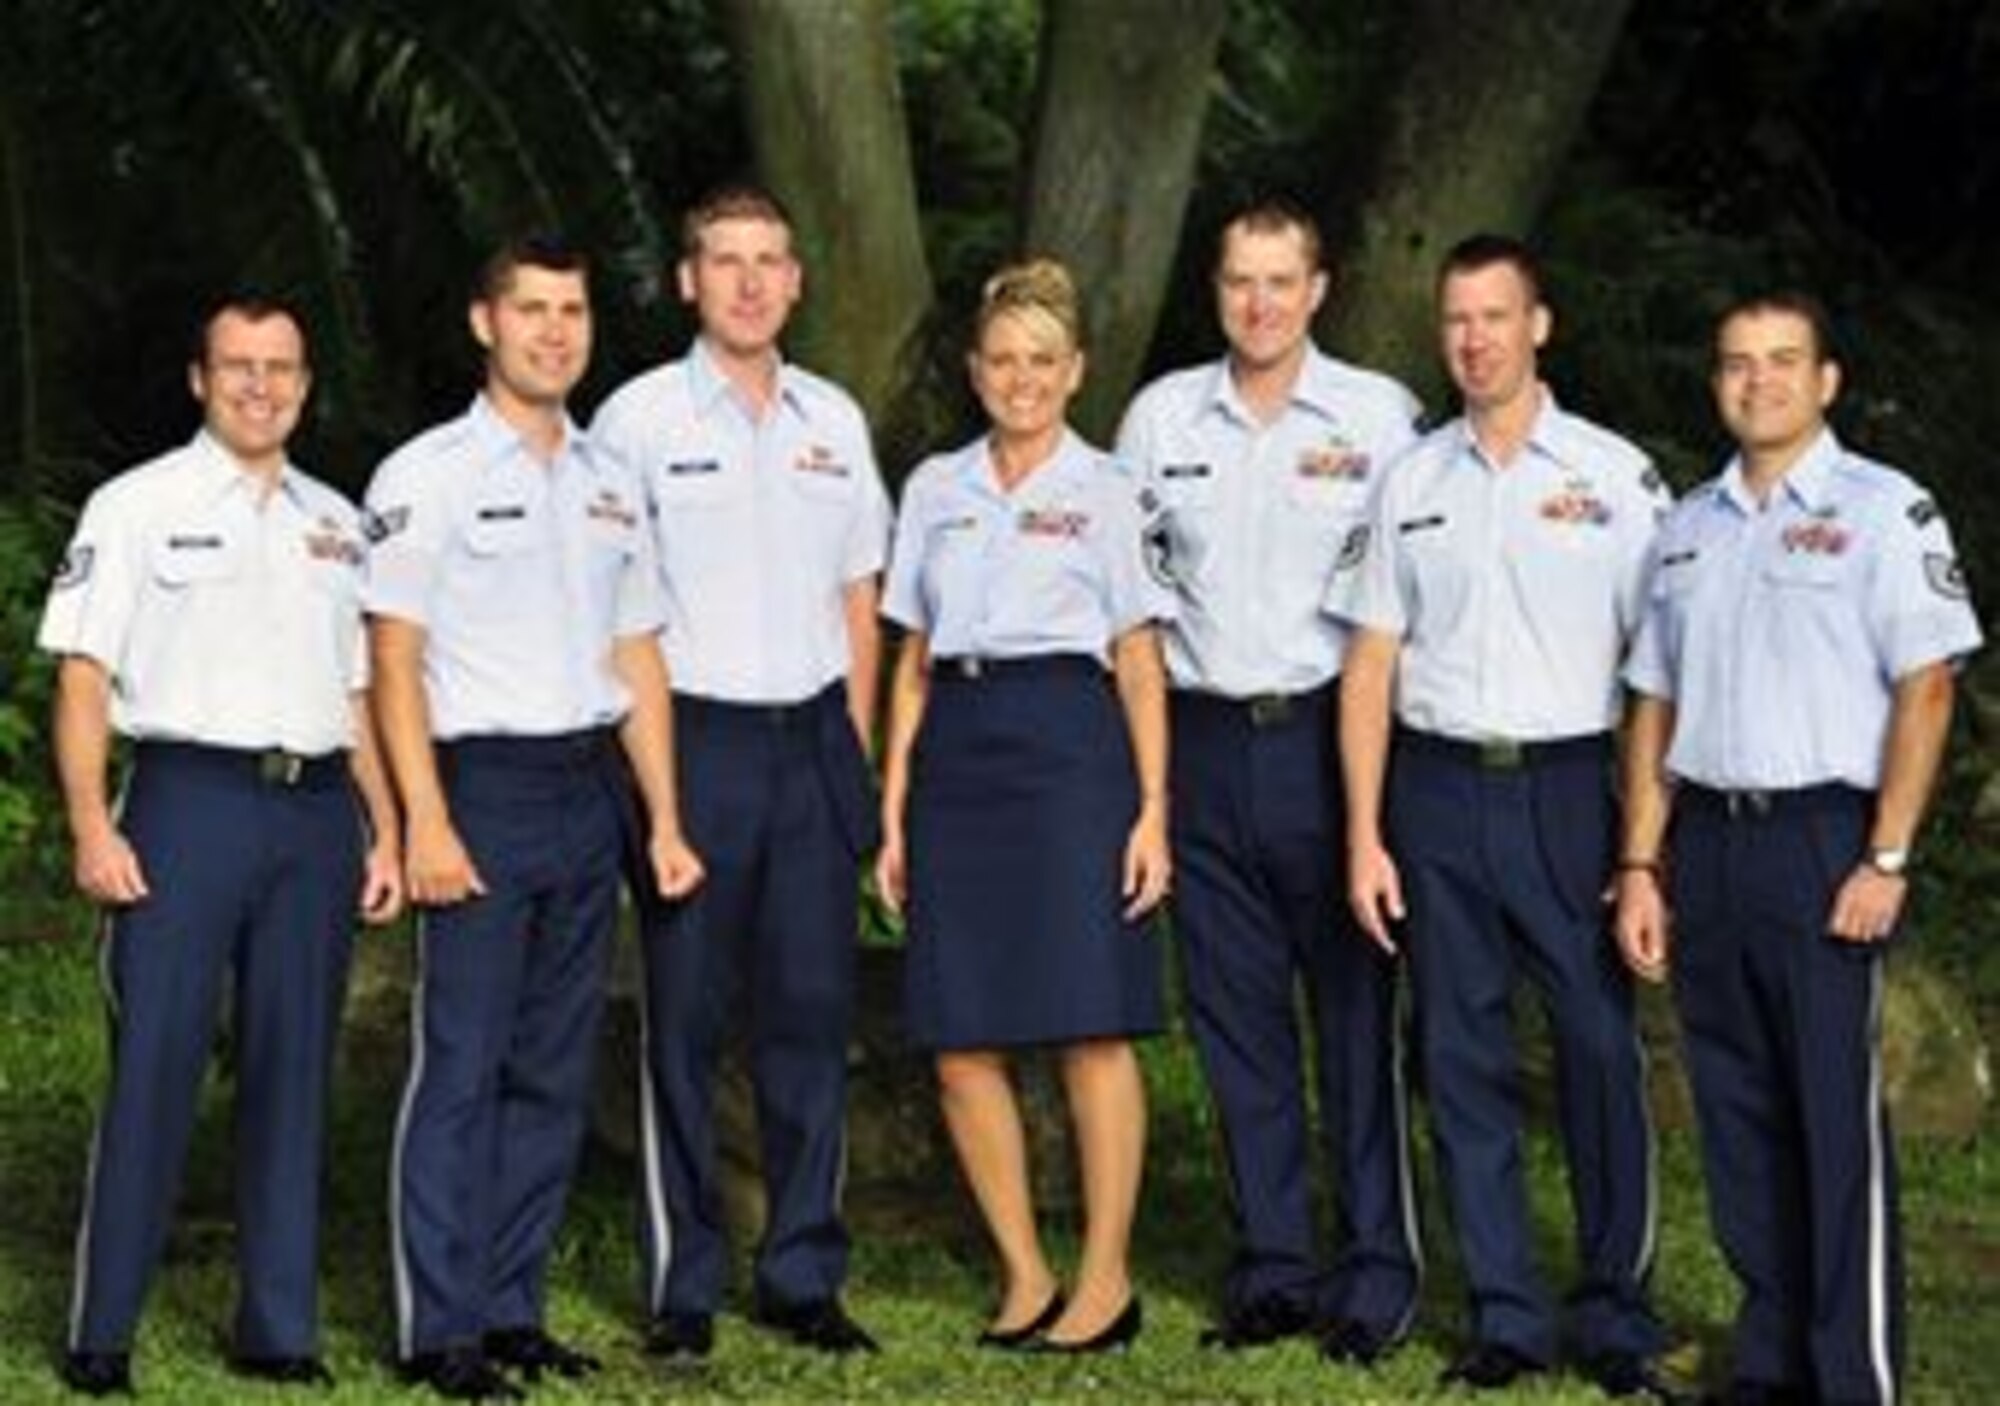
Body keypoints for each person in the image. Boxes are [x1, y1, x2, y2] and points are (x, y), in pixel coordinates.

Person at [1615, 293, 1981, 1406]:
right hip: (1709, 847)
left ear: (1825, 381)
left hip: (1824, 841)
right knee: (1735, 1114)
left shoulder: (1884, 510)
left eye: (1782, 360)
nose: (1757, 380)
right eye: (1736, 362)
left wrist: (1886, 857)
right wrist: (1640, 865)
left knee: (1831, 1117)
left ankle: (1851, 1377)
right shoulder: (1686, 526)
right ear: (1716, 382)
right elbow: (1653, 705)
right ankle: (1769, 1364)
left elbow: (1926, 685)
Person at [40, 295, 403, 1396]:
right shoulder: (136, 504)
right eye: (238, 366)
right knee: (155, 1064)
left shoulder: (338, 521)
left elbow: (355, 692)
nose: (260, 386)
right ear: (200, 380)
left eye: (280, 367)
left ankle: (278, 1330)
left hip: (315, 815)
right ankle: (102, 1330)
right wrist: (92, 824)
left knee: (294, 1071)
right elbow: (84, 679)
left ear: (305, 384)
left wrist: (386, 828)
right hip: (187, 807)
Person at [1330, 234, 1674, 1396]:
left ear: (1538, 325)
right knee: (1456, 1052)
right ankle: (1505, 1316)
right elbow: (1369, 665)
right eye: (1455, 320)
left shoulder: (1614, 478)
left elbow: (1658, 675)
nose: (1473, 339)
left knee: (1595, 1050)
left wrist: (1640, 849)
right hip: (1432, 791)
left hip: (1566, 788)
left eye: (1494, 316)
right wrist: (1363, 833)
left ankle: (1613, 1313)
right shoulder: (1409, 480)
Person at [367, 235, 703, 1401]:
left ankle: (511, 1308)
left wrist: (663, 818)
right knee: (462, 1061)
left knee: (555, 1066)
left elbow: (637, 652)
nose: (554, 332)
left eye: (572, 311)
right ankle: (438, 1325)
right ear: (484, 322)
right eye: (532, 310)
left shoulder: (610, 478)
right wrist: (423, 819)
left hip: (586, 789)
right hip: (480, 787)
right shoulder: (427, 473)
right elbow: (392, 660)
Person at [1113, 197, 1424, 1364]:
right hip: (1199, 743)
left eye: (1279, 281)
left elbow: (1409, 599)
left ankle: (1375, 1267)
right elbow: (1131, 600)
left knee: (1352, 1016)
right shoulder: (1158, 418)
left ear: (1317, 289)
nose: (1258, 304)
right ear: (1215, 289)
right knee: (1235, 1019)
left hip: (1327, 741)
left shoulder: (1379, 417)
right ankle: (1274, 1267)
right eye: (1239, 281)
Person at [590, 185, 892, 1359]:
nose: (750, 282)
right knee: (683, 1018)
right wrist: (655, 786)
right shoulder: (636, 420)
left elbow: (858, 596)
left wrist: (848, 750)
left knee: (809, 1016)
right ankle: (684, 1279)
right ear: (687, 280)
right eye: (726, 260)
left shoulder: (834, 420)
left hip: (811, 743)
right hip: (694, 744)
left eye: (770, 260)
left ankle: (802, 1271)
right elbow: (610, 609)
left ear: (797, 279)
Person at [875, 258, 1172, 1354]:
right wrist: (894, 807)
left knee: (1090, 1024)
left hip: (1070, 753)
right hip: (956, 754)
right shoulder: (934, 488)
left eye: (1042, 360)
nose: (1021, 379)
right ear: (973, 370)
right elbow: (910, 661)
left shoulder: (1110, 490)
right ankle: (1024, 1272)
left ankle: (1105, 1277)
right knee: (959, 1035)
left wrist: (1152, 808)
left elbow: (1138, 661)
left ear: (1076, 369)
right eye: (1001, 359)